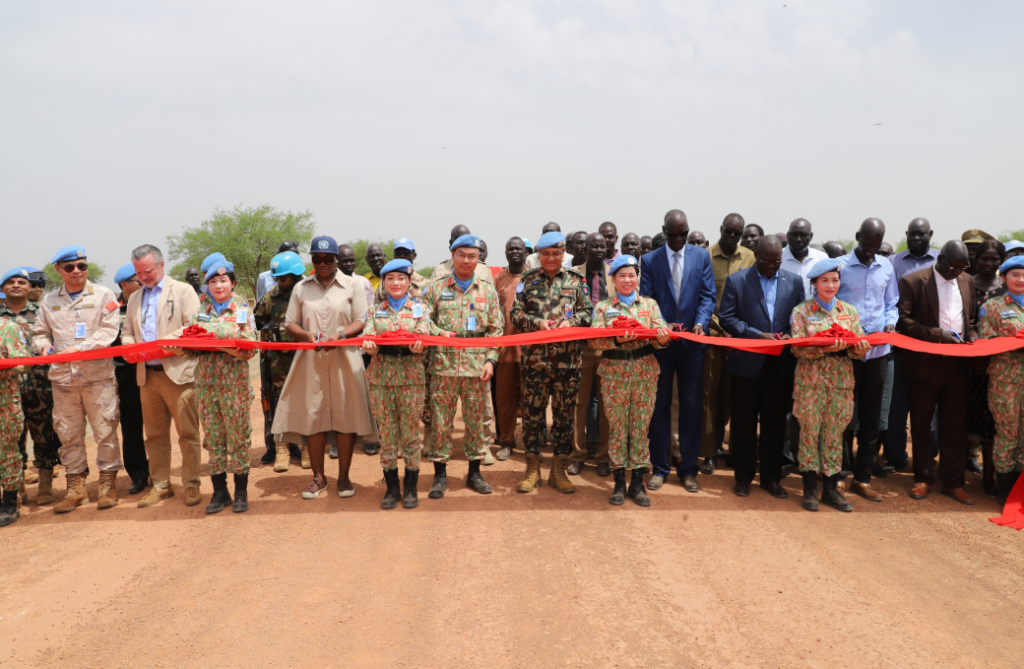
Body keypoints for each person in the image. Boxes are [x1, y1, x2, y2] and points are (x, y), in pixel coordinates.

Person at [274, 235, 376, 500]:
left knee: (345, 417)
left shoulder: (352, 285)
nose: (322, 264)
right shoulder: (301, 288)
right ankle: (318, 478)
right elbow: (290, 323)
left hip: (345, 357)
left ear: (336, 260)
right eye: (316, 259)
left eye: (327, 259)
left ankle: (343, 477)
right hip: (310, 359)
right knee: (314, 415)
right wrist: (307, 336)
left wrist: (340, 335)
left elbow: (361, 320)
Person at [30, 246, 123, 513]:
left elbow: (109, 331)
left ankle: (107, 485)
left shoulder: (103, 295)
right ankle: (75, 487)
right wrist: (43, 347)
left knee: (105, 431)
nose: (77, 271)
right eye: (69, 267)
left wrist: (79, 349)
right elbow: (39, 333)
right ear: (58, 270)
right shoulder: (49, 302)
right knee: (68, 434)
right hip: (63, 381)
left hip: (97, 378)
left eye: (81, 266)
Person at [166, 260, 257, 513]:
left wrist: (219, 344)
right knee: (214, 440)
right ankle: (220, 492)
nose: (218, 285)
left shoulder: (241, 308)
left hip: (234, 387)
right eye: (213, 282)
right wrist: (182, 348)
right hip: (206, 387)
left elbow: (249, 344)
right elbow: (193, 347)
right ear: (207, 285)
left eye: (224, 280)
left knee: (238, 440)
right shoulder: (200, 310)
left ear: (233, 282)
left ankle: (241, 492)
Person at [719, 235, 806, 499]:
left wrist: (791, 333)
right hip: (747, 363)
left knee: (774, 424)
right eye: (767, 261)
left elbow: (799, 316)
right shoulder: (738, 280)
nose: (772, 266)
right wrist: (757, 335)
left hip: (780, 364)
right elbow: (727, 317)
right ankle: (744, 477)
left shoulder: (793, 281)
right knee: (743, 423)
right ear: (756, 256)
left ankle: (771, 478)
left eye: (777, 261)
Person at [121, 244, 204, 508]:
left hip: (178, 375)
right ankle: (160, 484)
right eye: (138, 273)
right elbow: (127, 331)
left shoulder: (182, 291)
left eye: (147, 271)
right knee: (154, 436)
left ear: (161, 265)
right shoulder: (135, 298)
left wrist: (159, 344)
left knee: (187, 433)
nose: (143, 277)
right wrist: (128, 346)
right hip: (148, 378)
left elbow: (195, 328)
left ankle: (191, 485)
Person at [640, 210, 716, 492]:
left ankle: (687, 468)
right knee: (659, 407)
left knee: (691, 406)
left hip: (692, 346)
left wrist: (700, 323)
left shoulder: (701, 257)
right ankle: (659, 467)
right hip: (661, 345)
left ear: (687, 232)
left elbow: (708, 295)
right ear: (664, 231)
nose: (677, 239)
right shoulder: (649, 260)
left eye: (682, 234)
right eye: (671, 234)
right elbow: (647, 299)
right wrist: (661, 324)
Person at [511, 231, 593, 493]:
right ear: (538, 255)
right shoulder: (527, 279)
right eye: (545, 254)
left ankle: (558, 470)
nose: (550, 258)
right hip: (535, 362)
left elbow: (587, 312)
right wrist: (538, 323)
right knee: (532, 418)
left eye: (556, 253)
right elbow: (515, 313)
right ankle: (532, 469)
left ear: (563, 253)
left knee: (564, 418)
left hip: (567, 364)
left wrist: (572, 322)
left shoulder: (576, 281)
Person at [896, 240, 977, 505]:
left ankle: (953, 481)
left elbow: (971, 320)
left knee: (955, 425)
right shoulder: (913, 281)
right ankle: (923, 477)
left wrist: (973, 336)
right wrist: (936, 335)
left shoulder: (967, 281)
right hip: (925, 365)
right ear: (940, 258)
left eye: (962, 267)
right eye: (952, 267)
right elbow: (904, 321)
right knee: (920, 423)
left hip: (958, 365)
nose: (956, 272)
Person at [422, 234, 503, 497]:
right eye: (462, 255)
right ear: (452, 256)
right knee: (441, 422)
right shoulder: (435, 287)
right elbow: (422, 320)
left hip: (476, 367)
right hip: (443, 365)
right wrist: (437, 332)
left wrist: (491, 360)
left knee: (475, 422)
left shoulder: (487, 290)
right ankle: (440, 476)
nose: (467, 260)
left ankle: (475, 473)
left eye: (472, 256)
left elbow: (496, 329)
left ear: (479, 258)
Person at [588, 254, 672, 506]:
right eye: (621, 275)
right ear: (612, 279)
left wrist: (663, 338)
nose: (627, 280)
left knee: (639, 429)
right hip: (614, 375)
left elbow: (661, 333)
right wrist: (617, 339)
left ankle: (637, 482)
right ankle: (618, 482)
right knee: (618, 428)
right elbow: (593, 340)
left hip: (645, 374)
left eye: (631, 275)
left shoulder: (649, 305)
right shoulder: (603, 308)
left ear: (637, 278)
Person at [790, 258, 871, 512]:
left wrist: (859, 349)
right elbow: (796, 348)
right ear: (814, 283)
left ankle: (832, 490)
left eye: (834, 280)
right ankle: (810, 489)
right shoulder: (801, 312)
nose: (830, 285)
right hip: (810, 386)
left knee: (835, 436)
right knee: (809, 435)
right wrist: (823, 348)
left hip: (840, 385)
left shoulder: (849, 312)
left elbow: (858, 348)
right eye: (824, 280)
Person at [835, 219, 898, 502]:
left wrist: (890, 324)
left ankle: (862, 479)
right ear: (858, 236)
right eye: (867, 244)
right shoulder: (839, 266)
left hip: (878, 354)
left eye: (876, 245)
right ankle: (838, 475)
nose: (871, 250)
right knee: (842, 417)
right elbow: (829, 305)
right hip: (847, 354)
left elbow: (891, 303)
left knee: (871, 418)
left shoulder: (886, 266)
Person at [361, 259, 431, 509]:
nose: (395, 283)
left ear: (409, 282)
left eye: (400, 278)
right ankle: (391, 487)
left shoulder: (419, 309)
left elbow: (424, 333)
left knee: (411, 434)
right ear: (384, 282)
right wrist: (370, 346)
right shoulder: (374, 310)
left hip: (410, 377)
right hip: (381, 380)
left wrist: (419, 344)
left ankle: (411, 486)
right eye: (390, 278)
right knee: (388, 436)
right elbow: (368, 336)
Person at [0, 269, 62, 505]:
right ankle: (17, 488)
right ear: (2, 288)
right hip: (6, 390)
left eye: (22, 282)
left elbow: (54, 343)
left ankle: (45, 485)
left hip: (40, 386)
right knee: (10, 441)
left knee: (43, 436)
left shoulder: (43, 314)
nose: (16, 285)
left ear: (29, 287)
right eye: (10, 282)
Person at [700, 213, 755, 475]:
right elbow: (705, 298)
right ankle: (709, 452)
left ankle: (734, 451)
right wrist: (722, 330)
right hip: (713, 337)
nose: (732, 236)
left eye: (737, 233)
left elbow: (751, 299)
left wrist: (739, 331)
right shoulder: (706, 256)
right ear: (721, 229)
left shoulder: (749, 258)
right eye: (729, 231)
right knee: (709, 396)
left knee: (737, 396)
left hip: (740, 339)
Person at [883, 218, 939, 473]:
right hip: (901, 343)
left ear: (930, 234)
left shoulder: (941, 260)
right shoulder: (893, 261)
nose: (916, 238)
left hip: (933, 344)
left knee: (931, 405)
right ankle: (896, 455)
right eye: (912, 234)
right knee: (897, 403)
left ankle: (929, 456)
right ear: (906, 235)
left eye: (921, 234)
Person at [978, 255, 1024, 501]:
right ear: (1004, 278)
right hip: (1005, 382)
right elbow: (984, 341)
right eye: (1015, 274)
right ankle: (1006, 490)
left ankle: (1021, 490)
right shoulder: (993, 307)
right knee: (1007, 433)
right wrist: (1014, 344)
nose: (1021, 279)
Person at [253, 251, 305, 472]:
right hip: (280, 362)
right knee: (281, 405)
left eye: (283, 278)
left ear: (295, 275)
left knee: (307, 404)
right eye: (277, 278)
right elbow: (258, 321)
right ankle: (281, 449)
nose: (279, 282)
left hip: (306, 359)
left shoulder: (308, 294)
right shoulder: (271, 296)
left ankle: (306, 449)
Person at [567, 233, 612, 476]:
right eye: (592, 245)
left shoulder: (615, 275)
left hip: (607, 349)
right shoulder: (573, 274)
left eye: (601, 246)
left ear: (607, 248)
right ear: (585, 249)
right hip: (581, 347)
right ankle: (577, 455)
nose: (596, 249)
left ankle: (603, 457)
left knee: (606, 407)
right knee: (579, 404)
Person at [966, 239, 1004, 494]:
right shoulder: (967, 285)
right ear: (976, 259)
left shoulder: (1007, 288)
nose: (988, 263)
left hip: (999, 367)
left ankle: (989, 478)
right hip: (967, 364)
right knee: (963, 419)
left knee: (992, 423)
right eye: (984, 258)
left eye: (994, 259)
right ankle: (955, 475)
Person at [112, 264, 149, 494]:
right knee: (132, 424)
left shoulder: (151, 302)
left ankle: (158, 469)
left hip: (154, 369)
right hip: (127, 373)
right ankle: (138, 473)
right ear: (125, 285)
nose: (143, 284)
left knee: (157, 423)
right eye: (138, 280)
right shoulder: (111, 310)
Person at [494, 237, 526, 461]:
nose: (514, 251)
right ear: (505, 253)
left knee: (531, 399)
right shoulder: (497, 279)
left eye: (518, 248)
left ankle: (532, 442)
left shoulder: (534, 278)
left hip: (529, 350)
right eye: (510, 248)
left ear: (526, 253)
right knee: (504, 399)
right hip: (503, 349)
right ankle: (506, 441)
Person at [0, 312, 29, 526]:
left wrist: (4, 363)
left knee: (6, 451)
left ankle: (9, 502)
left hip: (4, 402)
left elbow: (23, 363)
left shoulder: (8, 328)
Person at [781, 219, 828, 297]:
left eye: (803, 235)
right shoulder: (777, 258)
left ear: (811, 236)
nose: (798, 239)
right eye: (794, 234)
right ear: (788, 235)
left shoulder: (821, 258)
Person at [339, 244, 375, 308]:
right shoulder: (330, 283)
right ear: (336, 262)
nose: (349, 264)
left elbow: (371, 309)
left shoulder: (364, 283)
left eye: (352, 260)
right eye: (345, 261)